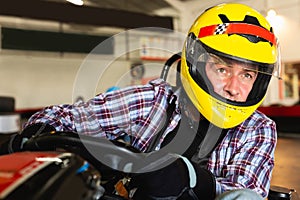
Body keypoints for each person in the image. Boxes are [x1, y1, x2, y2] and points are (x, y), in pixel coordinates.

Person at [0, 3, 280, 200]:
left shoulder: (258, 129)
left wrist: (191, 179)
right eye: (222, 69)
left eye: (247, 75)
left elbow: (245, 193)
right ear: (195, 63)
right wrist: (38, 134)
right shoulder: (153, 101)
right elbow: (64, 117)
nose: (234, 88)